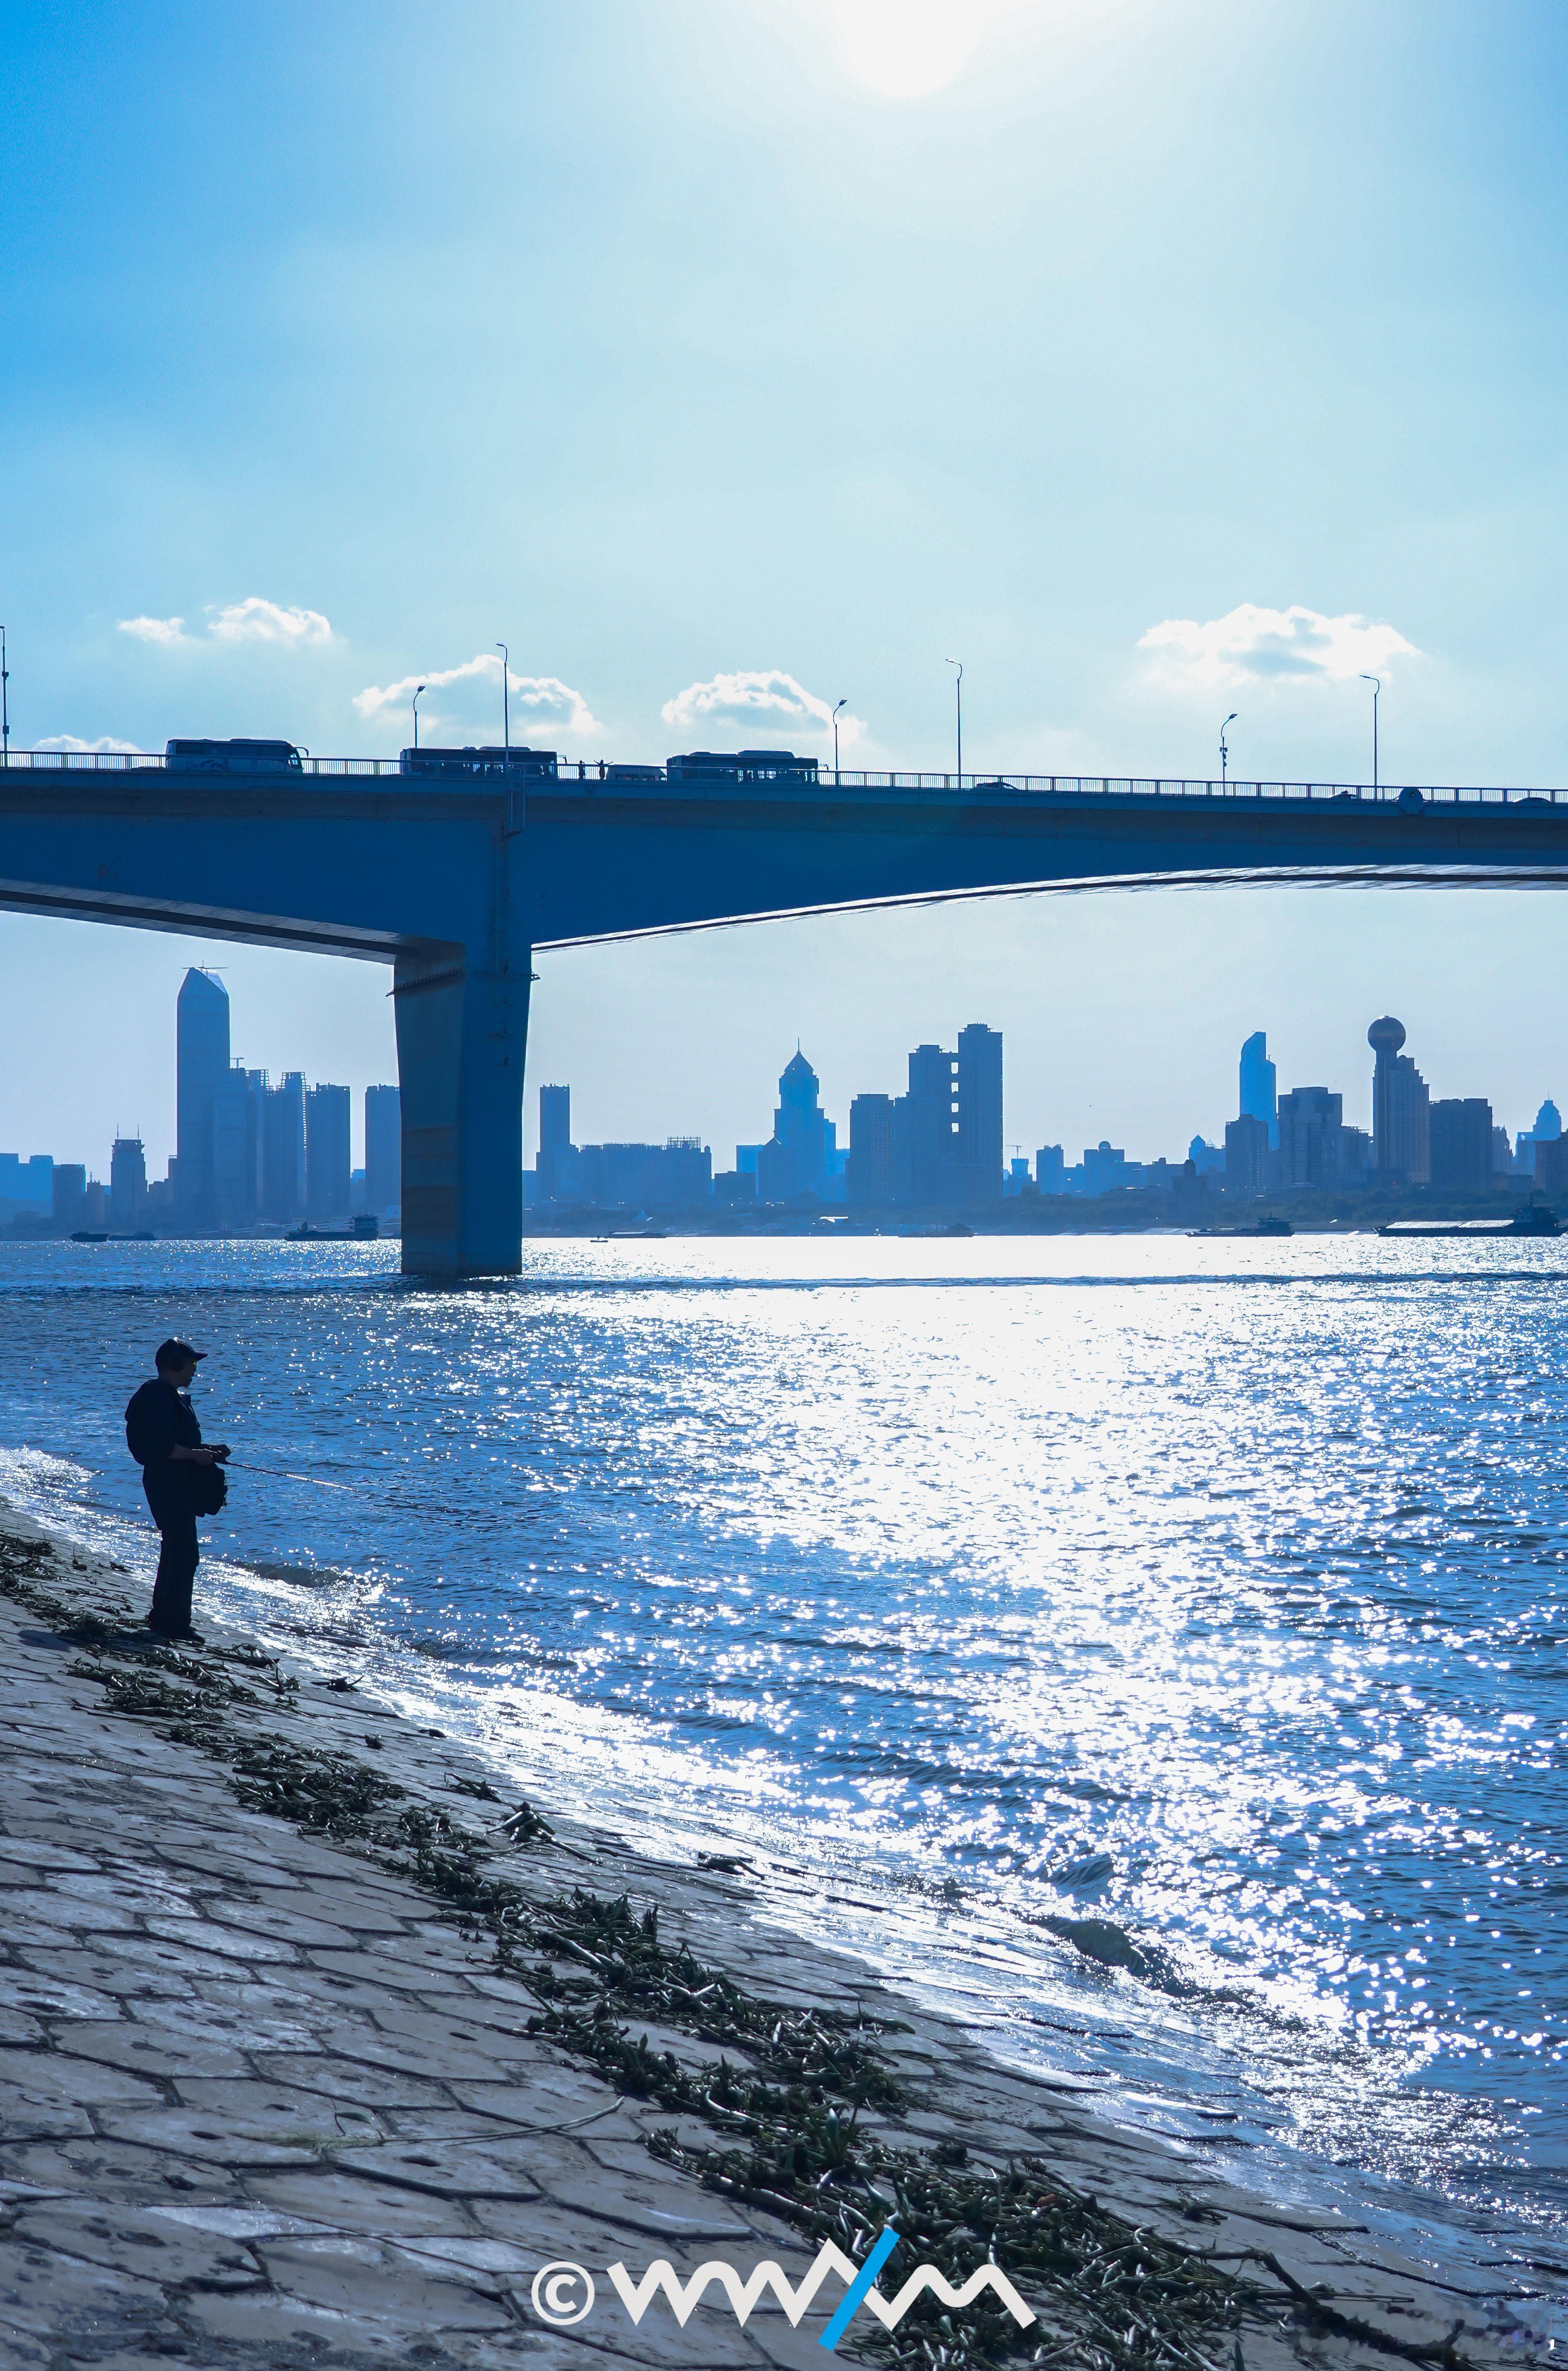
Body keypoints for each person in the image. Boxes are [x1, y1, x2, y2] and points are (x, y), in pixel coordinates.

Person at [125, 1338, 229, 1643]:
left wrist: (208, 1450)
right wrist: (195, 1456)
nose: (194, 1370)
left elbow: (176, 1442)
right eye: (191, 1364)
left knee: (176, 1549)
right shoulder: (159, 1398)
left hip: (174, 1483)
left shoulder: (172, 1397)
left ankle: (164, 1618)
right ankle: (174, 1625)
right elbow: (158, 1447)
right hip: (165, 1484)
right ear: (174, 1365)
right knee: (184, 1553)